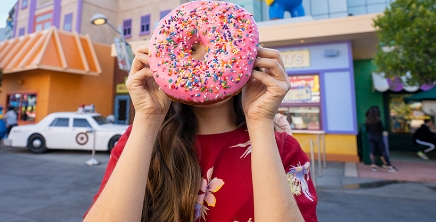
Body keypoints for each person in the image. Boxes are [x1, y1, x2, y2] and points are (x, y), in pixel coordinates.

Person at [84, 46, 318, 222]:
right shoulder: (139, 140)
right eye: (193, 49)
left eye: (222, 49)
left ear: (250, 58)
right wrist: (147, 117)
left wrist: (259, 122)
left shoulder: (282, 149)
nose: (206, 61)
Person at [365, 106, 397, 172]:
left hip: (371, 136)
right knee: (383, 152)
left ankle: (374, 166)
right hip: (378, 137)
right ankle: (389, 166)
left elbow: (367, 129)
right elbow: (382, 128)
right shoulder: (378, 120)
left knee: (372, 152)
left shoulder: (368, 121)